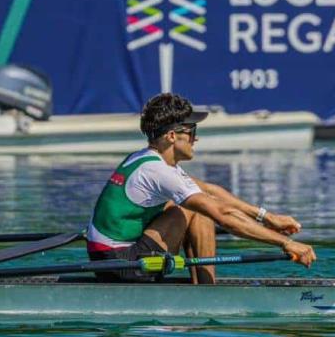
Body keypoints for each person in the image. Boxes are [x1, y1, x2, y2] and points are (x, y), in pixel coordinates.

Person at [86, 92, 316, 284]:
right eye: (192, 131)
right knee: (196, 209)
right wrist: (286, 242)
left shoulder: (147, 159)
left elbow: (210, 191)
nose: (196, 139)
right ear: (172, 136)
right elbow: (223, 216)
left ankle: (203, 287)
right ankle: (207, 292)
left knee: (197, 201)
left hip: (110, 258)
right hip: (122, 264)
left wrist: (267, 217)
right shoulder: (158, 172)